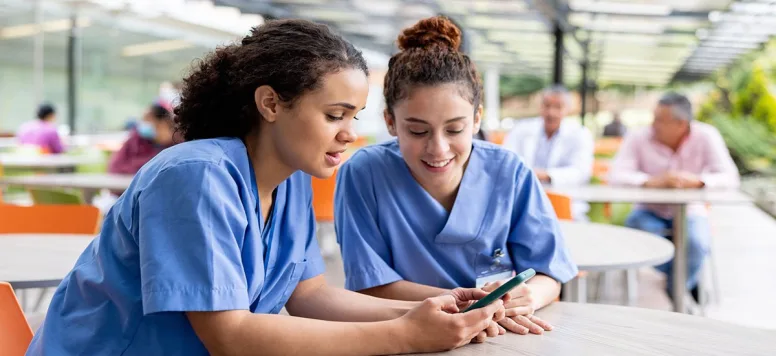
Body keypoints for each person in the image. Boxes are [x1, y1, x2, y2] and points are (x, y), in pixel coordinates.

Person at [26, 19, 505, 356]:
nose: (349, 133)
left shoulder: (292, 180)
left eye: (353, 117)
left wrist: (422, 308)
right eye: (334, 115)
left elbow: (310, 295)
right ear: (271, 103)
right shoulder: (194, 177)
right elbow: (230, 336)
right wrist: (405, 334)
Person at [335, 16, 577, 339]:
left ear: (477, 119)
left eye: (455, 129)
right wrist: (461, 305)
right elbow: (370, 287)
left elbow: (549, 273)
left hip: (498, 335)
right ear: (390, 122)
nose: (438, 148)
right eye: (417, 130)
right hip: (406, 335)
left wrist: (529, 295)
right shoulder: (363, 174)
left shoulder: (510, 172)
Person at [607, 92, 739, 300]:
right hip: (648, 211)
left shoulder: (706, 135)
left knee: (696, 243)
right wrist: (650, 181)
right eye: (654, 117)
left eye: (660, 119)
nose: (653, 124)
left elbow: (730, 177)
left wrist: (698, 181)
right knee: (644, 236)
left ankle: (677, 285)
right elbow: (615, 175)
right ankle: (684, 283)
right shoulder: (638, 137)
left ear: (681, 124)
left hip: (691, 210)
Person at [501, 85, 594, 221]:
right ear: (540, 107)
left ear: (567, 109)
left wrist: (547, 175)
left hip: (565, 203)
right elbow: (507, 161)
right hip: (523, 200)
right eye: (547, 106)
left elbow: (581, 172)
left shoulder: (580, 134)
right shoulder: (521, 130)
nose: (551, 112)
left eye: (558, 107)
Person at [108, 100, 177, 175]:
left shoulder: (178, 144)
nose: (143, 123)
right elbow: (115, 166)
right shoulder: (136, 140)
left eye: (147, 119)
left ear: (163, 122)